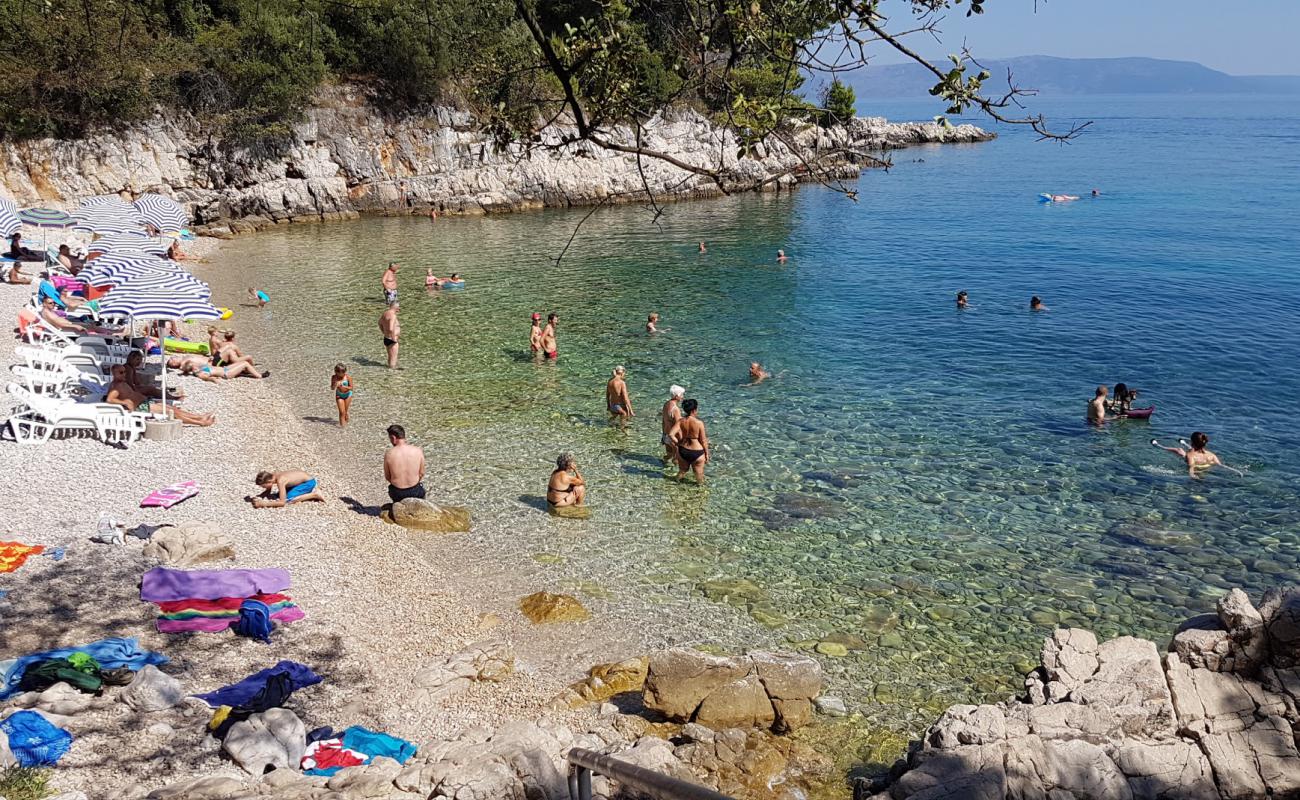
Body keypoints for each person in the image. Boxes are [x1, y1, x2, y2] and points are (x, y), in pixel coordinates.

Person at [106, 365, 215, 426]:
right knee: (170, 411)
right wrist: (124, 402)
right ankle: (200, 422)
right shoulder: (116, 387)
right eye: (120, 373)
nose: (124, 374)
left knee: (171, 408)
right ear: (113, 373)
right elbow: (109, 399)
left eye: (124, 372)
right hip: (140, 408)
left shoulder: (121, 383)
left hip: (144, 403)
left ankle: (199, 416)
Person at [1153, 432, 1240, 478]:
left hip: (1195, 463)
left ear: (1192, 442)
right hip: (1205, 466)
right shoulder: (1211, 455)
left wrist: (1192, 476)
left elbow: (1191, 467)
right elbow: (1221, 465)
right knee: (1190, 450)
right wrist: (1236, 471)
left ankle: (1158, 445)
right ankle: (1183, 443)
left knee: (1179, 450)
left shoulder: (1190, 455)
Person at [383, 424, 426, 502]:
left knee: (392, 489)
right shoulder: (418, 451)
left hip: (398, 493)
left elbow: (387, 476)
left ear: (393, 437)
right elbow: (422, 473)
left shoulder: (389, 454)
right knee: (421, 491)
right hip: (415, 491)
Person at [673, 398, 709, 483]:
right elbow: (703, 440)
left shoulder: (681, 421)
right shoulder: (699, 423)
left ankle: (675, 482)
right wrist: (707, 453)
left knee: (682, 471)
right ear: (694, 410)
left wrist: (677, 443)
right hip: (697, 451)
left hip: (683, 450)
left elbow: (671, 434)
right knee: (699, 475)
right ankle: (700, 491)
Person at [250, 470, 324, 508]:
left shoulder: (280, 481)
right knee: (277, 496)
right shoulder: (272, 475)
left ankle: (315, 494)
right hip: (301, 481)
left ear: (269, 481)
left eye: (264, 486)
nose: (264, 488)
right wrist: (260, 496)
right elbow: (268, 491)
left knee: (288, 499)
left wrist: (263, 504)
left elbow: (282, 503)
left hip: (308, 483)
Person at [168, 354, 265, 381]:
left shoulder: (200, 368)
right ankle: (259, 376)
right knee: (244, 363)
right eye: (172, 362)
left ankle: (249, 372)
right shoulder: (199, 372)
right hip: (226, 373)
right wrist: (213, 379)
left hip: (225, 369)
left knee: (243, 364)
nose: (194, 365)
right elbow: (205, 377)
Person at [661, 385, 684, 462]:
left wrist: (663, 435)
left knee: (669, 454)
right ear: (677, 396)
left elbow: (663, 421)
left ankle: (664, 463)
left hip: (666, 435)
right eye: (681, 395)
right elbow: (678, 427)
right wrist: (681, 440)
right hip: (673, 437)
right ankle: (674, 472)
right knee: (677, 458)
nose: (682, 397)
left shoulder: (666, 404)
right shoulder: (675, 409)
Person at [379, 302, 401, 369]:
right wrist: (394, 338)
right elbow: (391, 328)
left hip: (386, 338)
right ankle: (393, 373)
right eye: (399, 308)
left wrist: (384, 332)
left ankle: (389, 370)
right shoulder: (393, 315)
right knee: (393, 358)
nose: (399, 309)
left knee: (390, 357)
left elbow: (379, 323)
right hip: (392, 339)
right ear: (396, 308)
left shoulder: (385, 313)